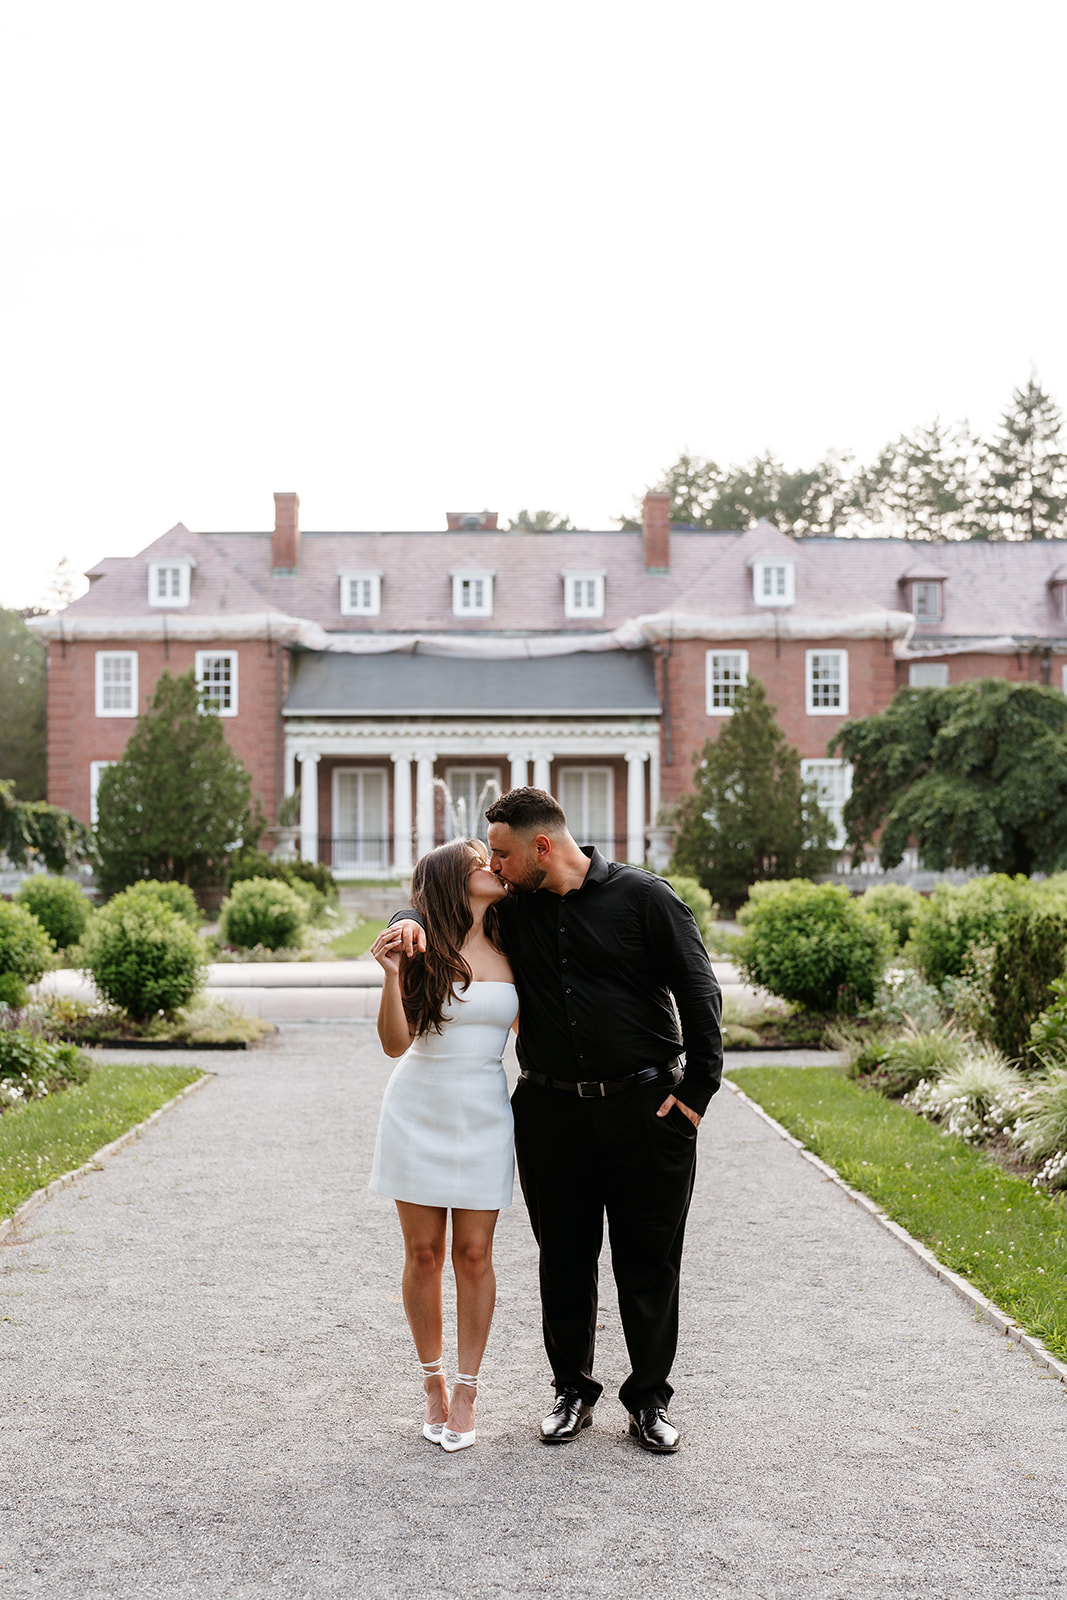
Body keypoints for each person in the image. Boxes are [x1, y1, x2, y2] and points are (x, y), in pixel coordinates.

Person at [384, 787, 722, 1455]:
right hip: (548, 1110)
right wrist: (403, 915)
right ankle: (571, 1392)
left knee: (648, 1260)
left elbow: (698, 986)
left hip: (646, 1107)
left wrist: (698, 1090)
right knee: (563, 1258)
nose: (497, 867)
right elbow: (440, 900)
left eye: (504, 854)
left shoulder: (644, 897)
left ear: (541, 846)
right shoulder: (519, 905)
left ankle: (648, 1402)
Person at [368, 836, 516, 1454]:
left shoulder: (517, 940)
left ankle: (467, 1387)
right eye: (481, 864)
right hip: (416, 1107)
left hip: (485, 1109)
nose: (494, 868)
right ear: (457, 881)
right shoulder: (421, 949)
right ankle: (431, 1381)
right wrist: (392, 974)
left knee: (475, 1255)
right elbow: (394, 1045)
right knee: (424, 1254)